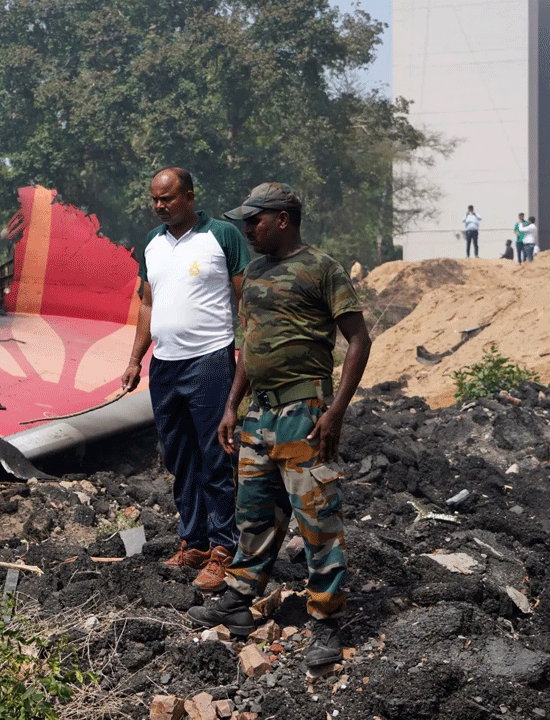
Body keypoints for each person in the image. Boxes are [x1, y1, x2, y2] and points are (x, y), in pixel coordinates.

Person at [187, 182, 371, 670]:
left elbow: (358, 340)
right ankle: (240, 600)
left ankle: (326, 621)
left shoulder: (322, 268)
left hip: (304, 415)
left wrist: (335, 412)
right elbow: (250, 346)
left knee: (317, 521)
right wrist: (232, 405)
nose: (247, 229)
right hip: (258, 416)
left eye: (255, 220)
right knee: (254, 513)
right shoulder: (256, 273)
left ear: (283, 219)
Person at [121, 166, 249, 593]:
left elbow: (244, 297)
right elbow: (146, 304)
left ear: (190, 196)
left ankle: (223, 548)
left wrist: (250, 351)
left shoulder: (222, 237)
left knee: (215, 457)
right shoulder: (153, 245)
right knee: (178, 457)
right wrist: (136, 358)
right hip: (166, 364)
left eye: (168, 198)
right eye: (155, 199)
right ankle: (193, 540)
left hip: (210, 360)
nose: (160, 206)